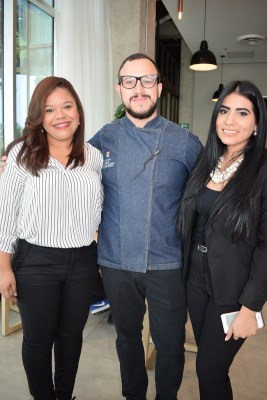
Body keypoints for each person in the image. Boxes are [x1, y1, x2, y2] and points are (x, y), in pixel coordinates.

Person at [89, 53, 203, 400]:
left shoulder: (185, 142)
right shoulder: (101, 140)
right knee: (126, 337)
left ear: (159, 86)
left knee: (170, 344)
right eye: (129, 81)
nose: (138, 89)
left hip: (167, 262)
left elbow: (208, 200)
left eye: (146, 80)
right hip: (116, 261)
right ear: (119, 89)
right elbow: (69, 178)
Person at [0, 76, 103, 400]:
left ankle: (64, 395)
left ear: (79, 111)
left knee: (71, 336)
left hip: (83, 261)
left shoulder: (94, 156)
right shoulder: (21, 154)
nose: (61, 115)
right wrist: (4, 267)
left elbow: (100, 208)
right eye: (50, 109)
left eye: (67, 106)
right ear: (39, 117)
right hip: (36, 262)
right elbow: (6, 214)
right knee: (38, 339)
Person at [178, 80, 267, 400]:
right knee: (209, 362)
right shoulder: (207, 162)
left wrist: (250, 307)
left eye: (242, 113)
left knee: (209, 370)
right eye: (224, 111)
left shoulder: (262, 171)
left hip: (233, 286)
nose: (230, 121)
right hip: (195, 278)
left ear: (257, 124)